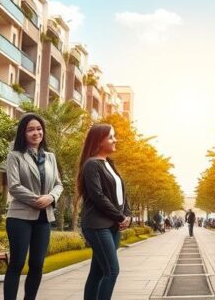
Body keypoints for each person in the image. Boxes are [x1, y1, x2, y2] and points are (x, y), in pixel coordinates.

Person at [3, 114, 63, 300]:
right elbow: (14, 186)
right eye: (30, 129)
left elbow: (59, 184)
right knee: (17, 263)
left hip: (44, 218)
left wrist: (51, 197)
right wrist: (38, 199)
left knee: (37, 264)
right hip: (20, 217)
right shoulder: (15, 156)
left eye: (39, 128)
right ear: (23, 133)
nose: (36, 133)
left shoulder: (51, 157)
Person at [78, 124, 131, 300]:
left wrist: (127, 215)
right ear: (99, 141)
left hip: (112, 225)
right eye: (111, 137)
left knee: (97, 272)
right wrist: (120, 216)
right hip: (97, 225)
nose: (115, 140)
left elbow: (121, 193)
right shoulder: (91, 164)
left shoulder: (109, 163)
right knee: (112, 271)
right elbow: (97, 196)